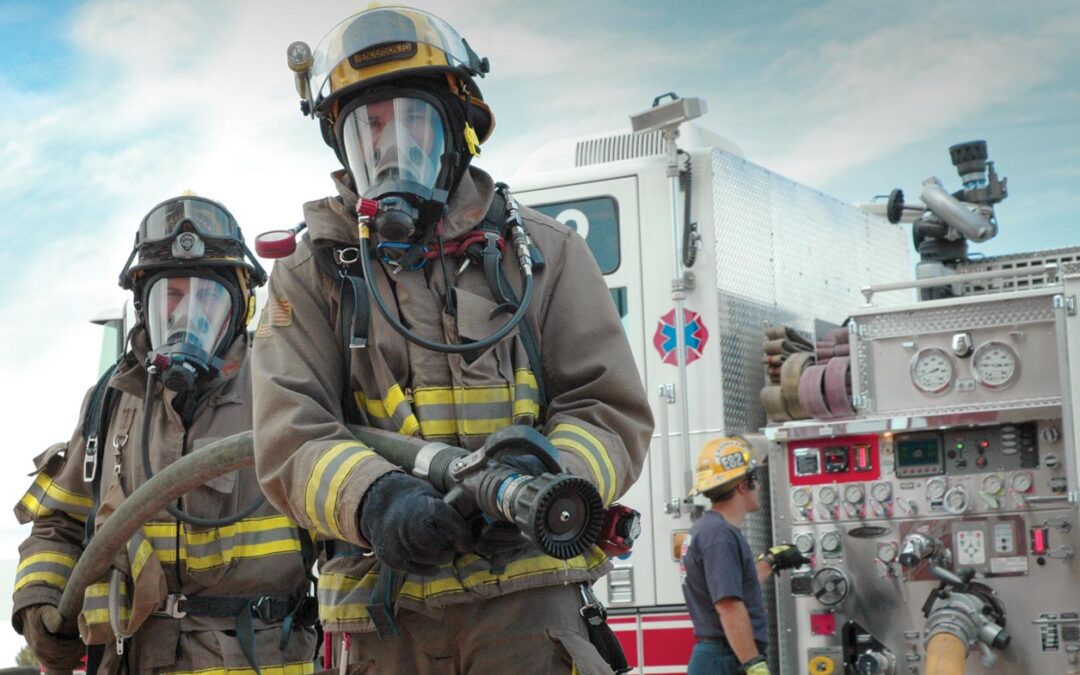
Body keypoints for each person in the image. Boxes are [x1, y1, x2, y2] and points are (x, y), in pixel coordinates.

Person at [251, 7, 653, 674]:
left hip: (531, 610)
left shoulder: (546, 256)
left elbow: (610, 409)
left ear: (458, 130)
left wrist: (548, 474)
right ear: (342, 147)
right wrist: (374, 498)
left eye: (413, 120)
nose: (389, 144)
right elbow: (288, 433)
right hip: (384, 620)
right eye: (368, 127)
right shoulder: (311, 275)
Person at [12, 196, 318, 674]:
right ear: (144, 306)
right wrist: (41, 604)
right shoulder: (109, 402)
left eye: (206, 298)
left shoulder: (282, 387)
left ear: (238, 309)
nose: (186, 315)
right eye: (171, 296)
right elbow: (59, 524)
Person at [681, 436, 808, 675]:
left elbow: (734, 586)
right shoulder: (719, 536)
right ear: (742, 484)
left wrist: (770, 561)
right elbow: (728, 605)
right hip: (726, 659)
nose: (759, 487)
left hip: (722, 656)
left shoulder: (711, 529)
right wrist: (752, 662)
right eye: (755, 479)